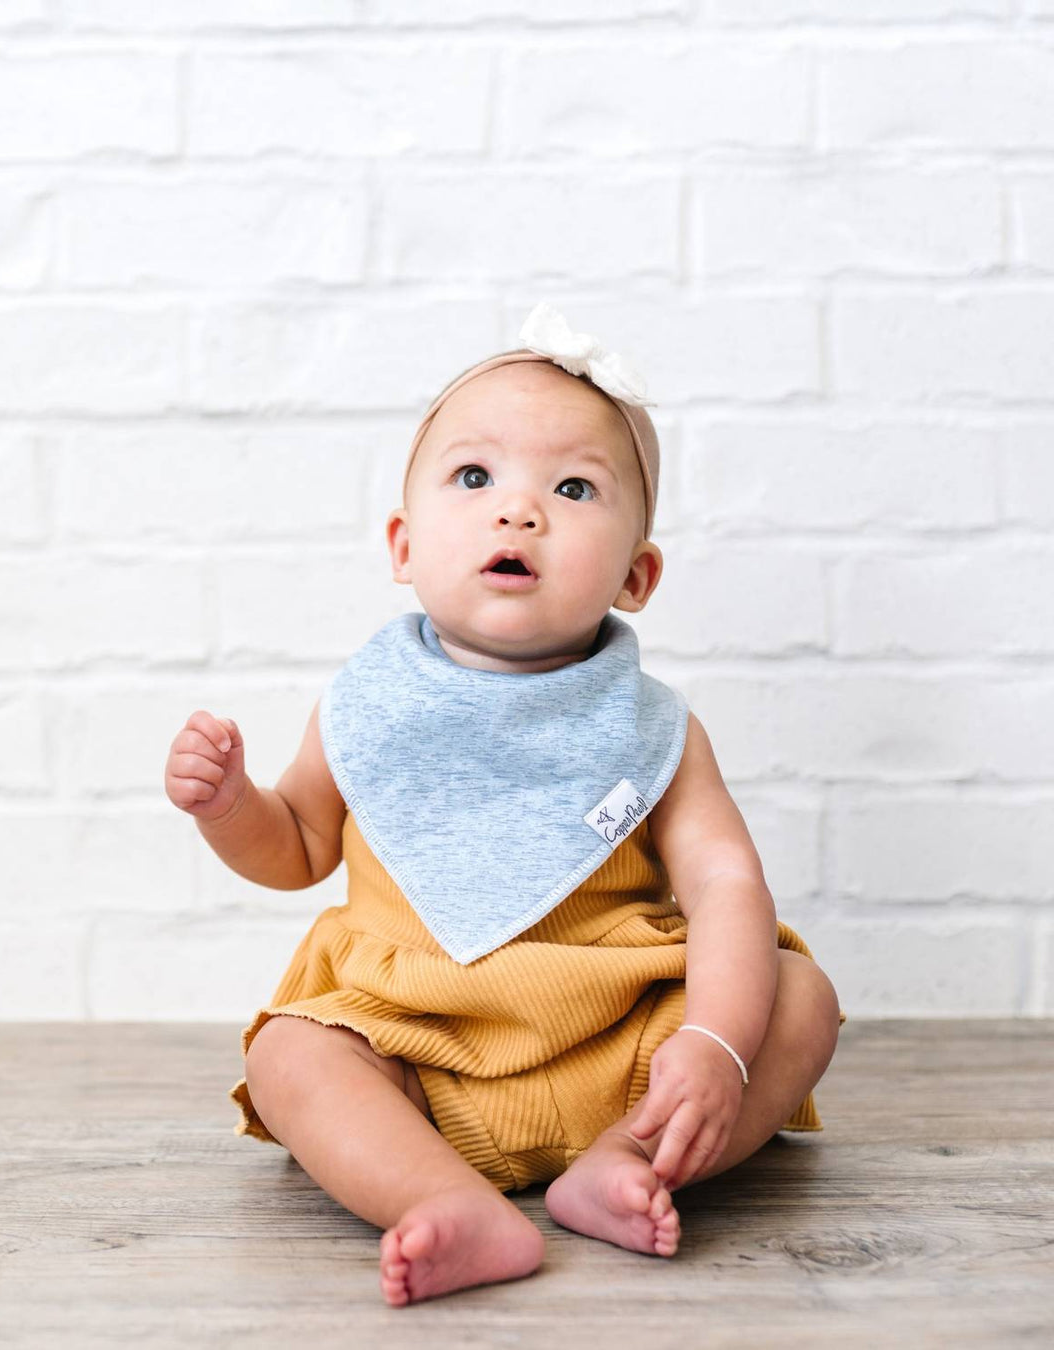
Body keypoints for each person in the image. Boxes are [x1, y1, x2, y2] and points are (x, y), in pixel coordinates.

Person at [164, 303, 845, 1309]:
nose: (518, 511)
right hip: (418, 1053)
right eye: (475, 477)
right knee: (288, 1053)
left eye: (573, 488)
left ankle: (625, 1161)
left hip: (629, 1050)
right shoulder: (368, 703)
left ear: (637, 575)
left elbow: (725, 885)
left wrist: (713, 1043)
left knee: (799, 998)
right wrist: (230, 807)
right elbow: (299, 842)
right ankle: (440, 1198)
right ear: (403, 544)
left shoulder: (653, 728)